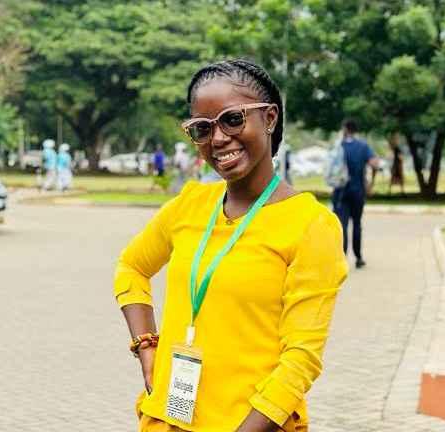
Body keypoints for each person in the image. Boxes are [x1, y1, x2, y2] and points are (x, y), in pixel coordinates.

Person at [114, 59, 347, 432]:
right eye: (202, 128)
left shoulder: (310, 225)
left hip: (252, 424)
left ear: (269, 118)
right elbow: (131, 267)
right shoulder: (189, 205)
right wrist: (146, 345)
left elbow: (301, 358)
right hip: (170, 417)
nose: (218, 138)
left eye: (233, 119)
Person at [331, 119, 380, 269]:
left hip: (341, 192)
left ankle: (342, 258)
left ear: (345, 129)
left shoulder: (339, 146)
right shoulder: (363, 146)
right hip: (358, 191)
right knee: (357, 224)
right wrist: (371, 183)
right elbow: (375, 163)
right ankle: (358, 258)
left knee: (342, 225)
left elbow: (332, 167)